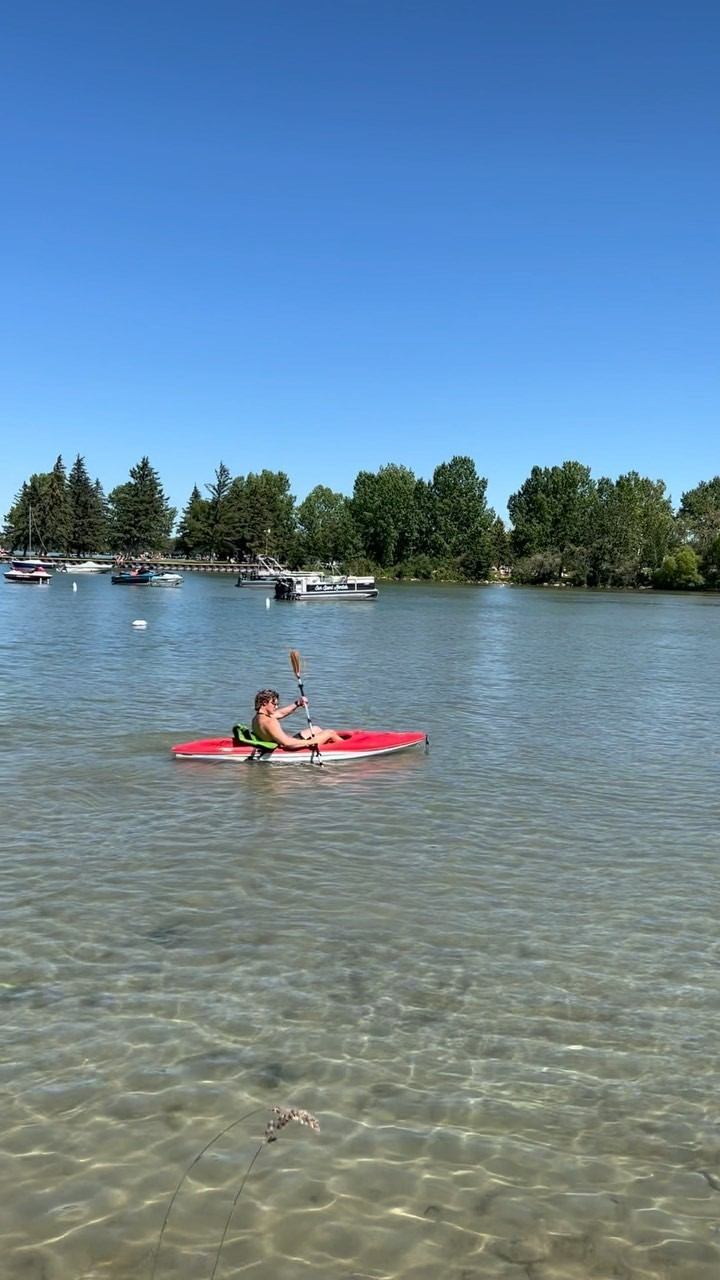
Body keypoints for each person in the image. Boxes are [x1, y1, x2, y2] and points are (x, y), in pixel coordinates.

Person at [251, 689, 343, 750]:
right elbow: (287, 743)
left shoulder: (258, 717)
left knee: (316, 729)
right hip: (288, 747)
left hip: (284, 743)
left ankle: (330, 745)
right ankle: (348, 747)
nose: (276, 706)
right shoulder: (270, 722)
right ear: (264, 703)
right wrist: (310, 742)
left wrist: (297, 703)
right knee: (330, 732)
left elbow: (281, 713)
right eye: (274, 704)